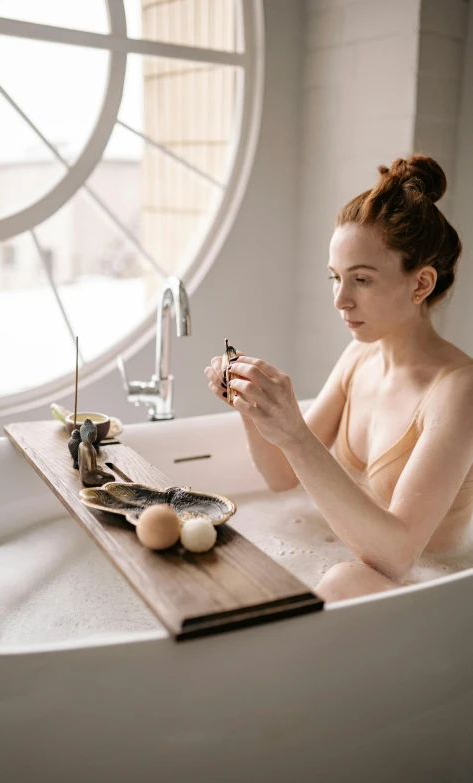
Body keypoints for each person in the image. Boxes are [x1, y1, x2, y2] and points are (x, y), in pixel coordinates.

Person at [204, 155, 473, 603]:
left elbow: (396, 557)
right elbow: (281, 477)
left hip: (433, 598)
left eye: (361, 280)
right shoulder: (358, 358)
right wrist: (252, 405)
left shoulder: (458, 391)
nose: (341, 300)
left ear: (421, 284)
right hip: (349, 574)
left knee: (345, 580)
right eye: (335, 278)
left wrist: (295, 433)